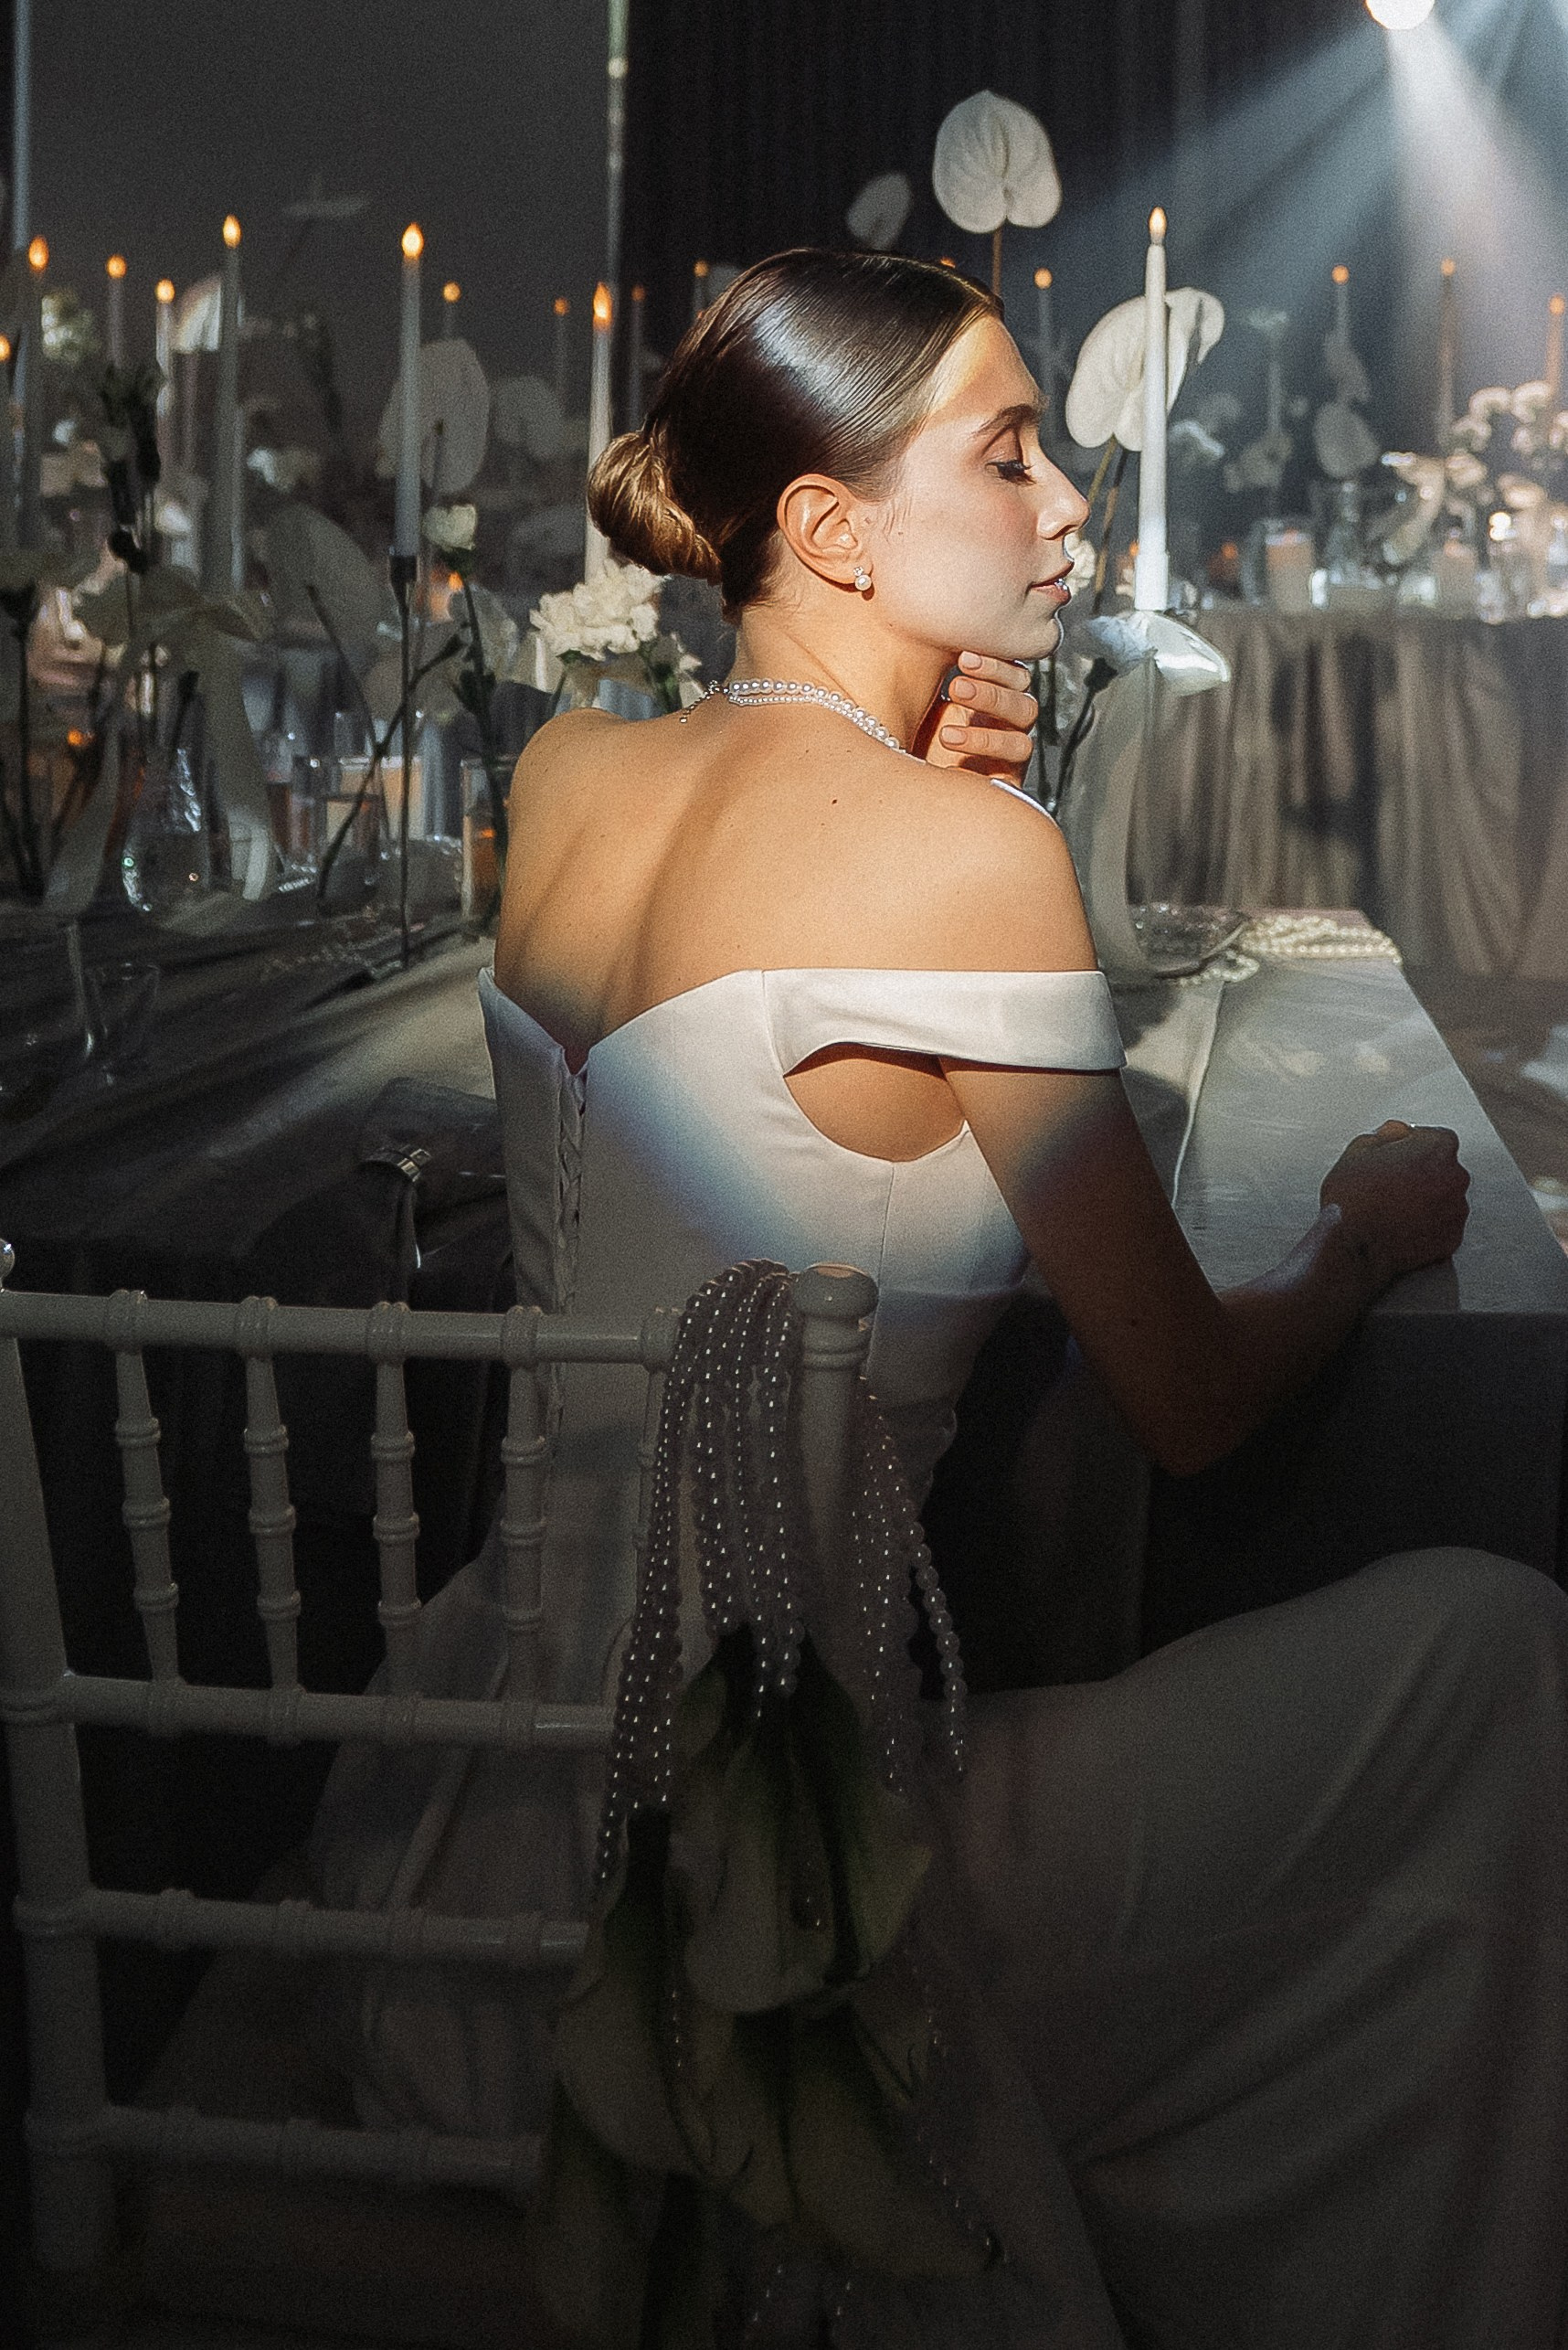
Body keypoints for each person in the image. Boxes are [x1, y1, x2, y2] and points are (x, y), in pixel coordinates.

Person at [313, 251, 1568, 2346]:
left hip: (480, 1848)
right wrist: (1354, 1234)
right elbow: (1188, 1400)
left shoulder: (565, 780)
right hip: (772, 1901)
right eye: (1007, 453)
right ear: (829, 525)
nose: (1068, 502)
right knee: (1495, 1658)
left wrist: (946, 782)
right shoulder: (967, 867)